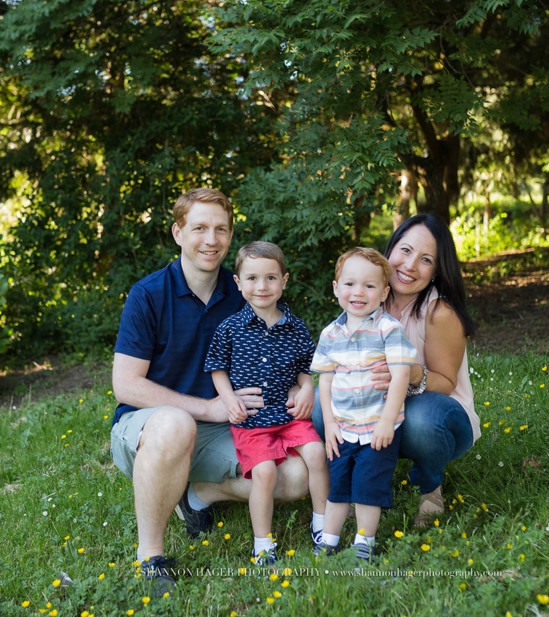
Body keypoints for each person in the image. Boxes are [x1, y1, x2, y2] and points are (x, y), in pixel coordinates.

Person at [110, 188, 308, 596]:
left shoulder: (245, 291)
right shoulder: (148, 294)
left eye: (221, 229)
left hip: (226, 427)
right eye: (199, 228)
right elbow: (125, 384)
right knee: (175, 424)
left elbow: (287, 348)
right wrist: (207, 407)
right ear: (178, 233)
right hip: (152, 427)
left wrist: (303, 386)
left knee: (293, 479)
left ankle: (196, 494)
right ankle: (151, 556)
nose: (211, 239)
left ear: (231, 235)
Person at [312, 214, 480, 527]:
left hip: (440, 412)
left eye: (426, 259)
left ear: (436, 271)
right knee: (324, 407)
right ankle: (353, 479)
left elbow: (446, 382)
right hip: (377, 405)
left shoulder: (439, 311)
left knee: (420, 421)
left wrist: (409, 373)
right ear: (390, 250)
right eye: (405, 250)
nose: (410, 265)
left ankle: (430, 488)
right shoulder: (368, 295)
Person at [205, 241, 329, 566]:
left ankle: (322, 528)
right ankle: (263, 543)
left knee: (317, 452)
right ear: (238, 282)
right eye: (253, 278)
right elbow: (217, 368)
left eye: (271, 278)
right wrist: (229, 398)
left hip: (289, 415)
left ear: (284, 280)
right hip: (252, 419)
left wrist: (306, 389)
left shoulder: (296, 328)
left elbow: (306, 369)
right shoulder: (229, 329)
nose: (262, 286)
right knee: (263, 473)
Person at [310, 247, 416, 563]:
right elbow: (325, 382)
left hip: (377, 428)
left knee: (368, 488)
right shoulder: (330, 333)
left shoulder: (389, 330)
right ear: (336, 288)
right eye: (350, 284)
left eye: (369, 286)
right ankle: (328, 541)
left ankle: (363, 543)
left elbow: (400, 377)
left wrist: (386, 421)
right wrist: (329, 424)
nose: (359, 292)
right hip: (342, 427)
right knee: (338, 485)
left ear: (384, 293)